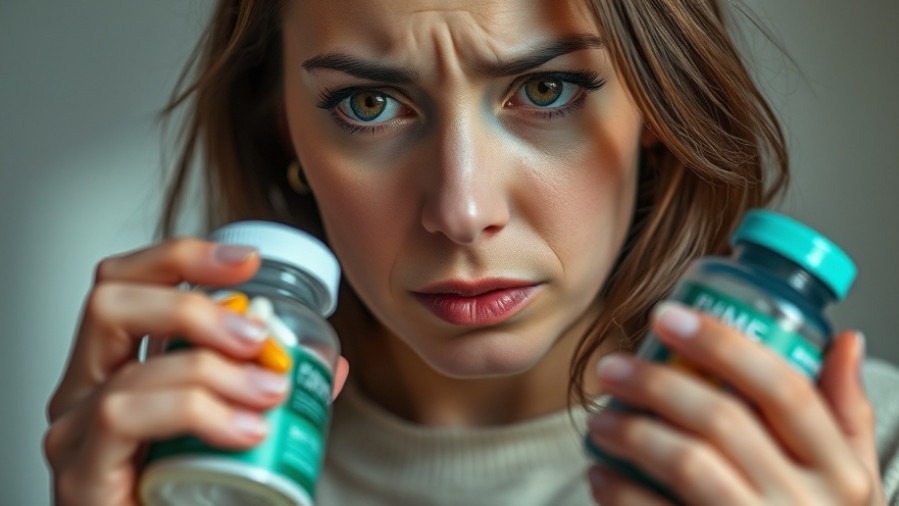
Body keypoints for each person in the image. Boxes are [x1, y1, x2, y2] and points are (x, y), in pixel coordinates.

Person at [42, 0, 899, 504]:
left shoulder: (865, 456)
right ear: (283, 138)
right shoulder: (204, 465)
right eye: (369, 106)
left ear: (657, 119)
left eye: (545, 90)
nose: (461, 211)